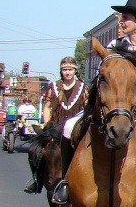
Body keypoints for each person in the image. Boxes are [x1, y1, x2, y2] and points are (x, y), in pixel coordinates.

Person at [52, 0, 136, 207]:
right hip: (113, 104)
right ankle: (65, 182)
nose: (121, 22)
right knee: (68, 127)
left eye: (126, 18)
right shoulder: (113, 46)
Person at [24, 57, 88, 194]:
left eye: (70, 70)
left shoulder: (83, 87)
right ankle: (38, 180)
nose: (67, 73)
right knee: (34, 149)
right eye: (65, 70)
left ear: (75, 71)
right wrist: (46, 123)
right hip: (55, 128)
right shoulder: (53, 86)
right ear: (61, 71)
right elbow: (47, 107)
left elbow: (87, 108)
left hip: (75, 129)